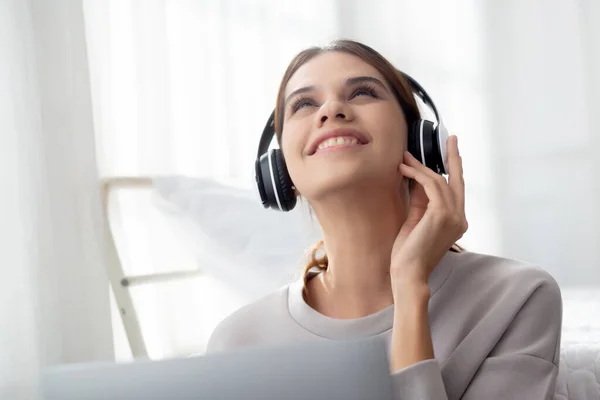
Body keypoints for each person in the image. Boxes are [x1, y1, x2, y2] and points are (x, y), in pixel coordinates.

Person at [206, 39, 562, 400]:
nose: (331, 109)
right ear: (280, 173)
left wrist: (409, 288)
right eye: (304, 104)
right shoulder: (236, 343)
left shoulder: (517, 298)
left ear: (417, 141)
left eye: (362, 92)